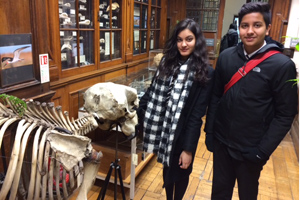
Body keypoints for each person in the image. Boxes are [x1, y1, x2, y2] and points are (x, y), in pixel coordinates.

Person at [204, 2, 298, 200]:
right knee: (219, 193)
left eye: (257, 25)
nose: (249, 31)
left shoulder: (282, 65)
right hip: (222, 143)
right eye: (244, 26)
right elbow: (216, 97)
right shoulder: (226, 57)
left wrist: (262, 151)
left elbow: (285, 114)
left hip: (251, 149)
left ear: (268, 28)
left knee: (247, 194)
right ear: (239, 28)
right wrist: (210, 132)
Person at [137, 18, 214, 200]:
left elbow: (197, 115)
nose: (184, 44)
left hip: (183, 132)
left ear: (197, 41)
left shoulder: (205, 72)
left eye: (189, 39)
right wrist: (138, 115)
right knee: (166, 166)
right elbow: (151, 92)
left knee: (180, 172)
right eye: (179, 40)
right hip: (165, 128)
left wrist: (188, 149)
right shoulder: (166, 63)